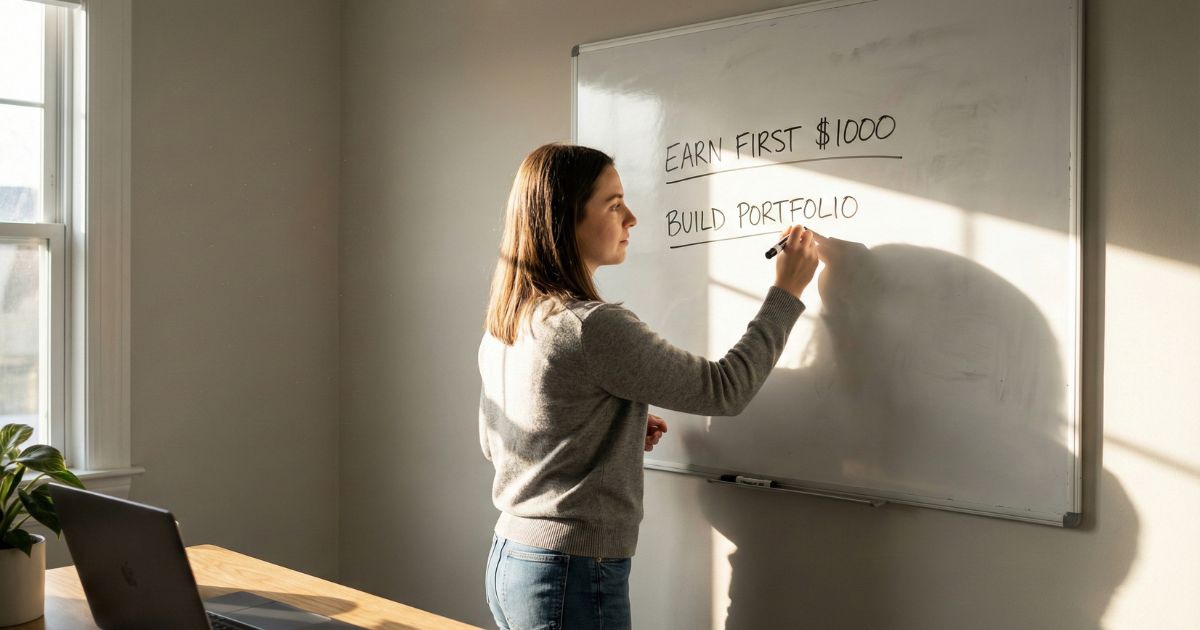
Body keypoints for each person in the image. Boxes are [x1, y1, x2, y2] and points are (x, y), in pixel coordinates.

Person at [479, 143, 819, 629]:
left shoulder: (510, 322)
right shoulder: (593, 326)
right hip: (568, 574)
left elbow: (502, 444)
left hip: (513, 560)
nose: (632, 218)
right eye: (614, 204)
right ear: (563, 219)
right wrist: (786, 294)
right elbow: (724, 389)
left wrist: (605, 431)